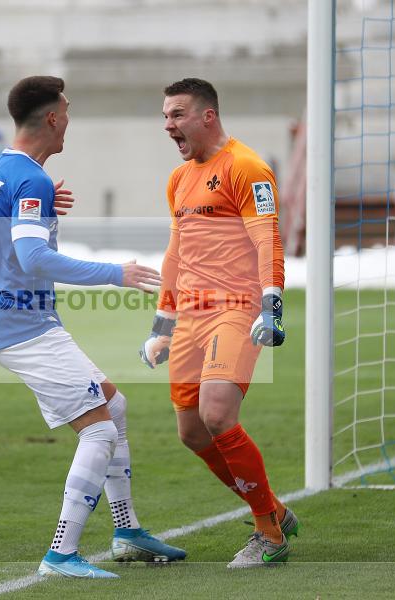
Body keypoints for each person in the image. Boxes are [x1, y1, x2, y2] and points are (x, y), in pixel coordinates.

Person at [0, 75, 186, 579]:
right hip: (22, 326)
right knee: (99, 429)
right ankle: (60, 553)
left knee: (115, 406)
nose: (69, 119)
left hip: (14, 320)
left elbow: (10, 227)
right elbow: (33, 257)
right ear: (51, 118)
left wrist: (41, 205)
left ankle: (126, 531)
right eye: (66, 110)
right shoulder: (30, 180)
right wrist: (116, 274)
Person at [140, 78, 299, 568]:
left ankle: (269, 534)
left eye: (177, 115)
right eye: (165, 116)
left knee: (217, 414)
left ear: (207, 116)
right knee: (192, 432)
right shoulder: (178, 179)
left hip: (237, 307)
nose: (168, 125)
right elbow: (176, 252)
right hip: (190, 315)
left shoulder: (247, 168)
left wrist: (271, 306)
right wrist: (162, 325)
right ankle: (273, 508)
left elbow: (268, 240)